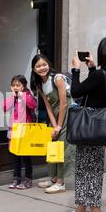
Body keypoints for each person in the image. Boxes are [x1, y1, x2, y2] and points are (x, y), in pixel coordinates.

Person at [62, 35, 106, 212]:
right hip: (97, 126)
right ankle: (80, 210)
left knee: (91, 171)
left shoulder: (100, 75)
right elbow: (97, 92)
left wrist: (75, 70)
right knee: (85, 168)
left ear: (105, 52)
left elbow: (78, 91)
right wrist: (91, 68)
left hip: (88, 125)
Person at [30, 54, 76, 194]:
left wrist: (59, 126)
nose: (42, 68)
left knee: (62, 147)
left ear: (49, 64)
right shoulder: (39, 84)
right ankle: (54, 178)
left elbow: (63, 104)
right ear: (34, 69)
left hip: (67, 114)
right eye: (38, 66)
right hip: (55, 116)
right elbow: (48, 107)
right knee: (53, 145)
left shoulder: (58, 78)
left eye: (44, 64)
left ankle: (61, 183)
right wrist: (54, 124)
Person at [3, 75, 37, 190]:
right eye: (13, 85)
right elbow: (4, 107)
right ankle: (16, 178)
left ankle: (28, 179)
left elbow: (33, 105)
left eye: (18, 85)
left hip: (25, 131)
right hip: (14, 131)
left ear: (23, 86)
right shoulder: (12, 97)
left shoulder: (26, 95)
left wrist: (21, 95)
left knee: (26, 156)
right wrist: (13, 97)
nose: (15, 87)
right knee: (15, 156)